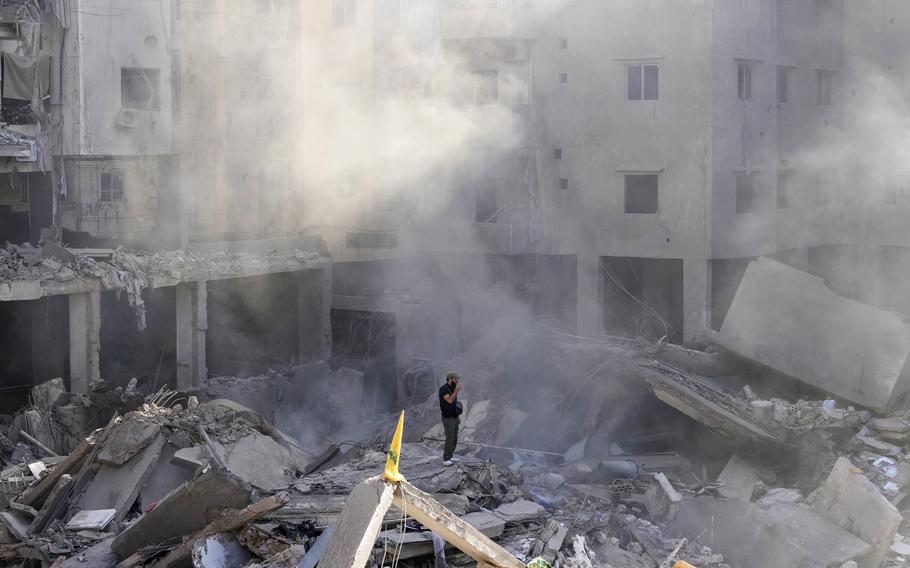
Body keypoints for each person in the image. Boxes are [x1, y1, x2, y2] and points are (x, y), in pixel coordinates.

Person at [439, 371, 463, 466]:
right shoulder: (444, 389)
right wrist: (457, 390)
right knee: (450, 438)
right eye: (455, 379)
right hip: (448, 418)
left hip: (454, 417)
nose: (457, 381)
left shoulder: (452, 388)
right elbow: (449, 400)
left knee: (455, 437)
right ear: (450, 379)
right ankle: (446, 459)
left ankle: (451, 456)